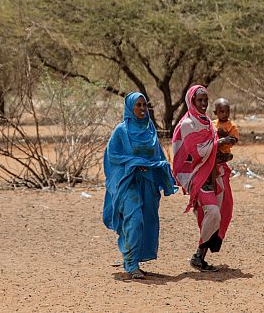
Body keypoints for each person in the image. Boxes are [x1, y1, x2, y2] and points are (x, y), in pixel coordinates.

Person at [102, 92, 176, 280]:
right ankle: (131, 264)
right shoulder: (121, 131)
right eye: (138, 106)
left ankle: (134, 258)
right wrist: (134, 162)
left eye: (144, 105)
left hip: (148, 182)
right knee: (134, 219)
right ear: (130, 108)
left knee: (146, 220)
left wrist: (163, 171)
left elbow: (157, 154)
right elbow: (113, 156)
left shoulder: (150, 128)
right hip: (128, 182)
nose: (142, 109)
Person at [171, 85, 234, 272]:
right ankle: (198, 255)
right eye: (200, 100)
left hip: (212, 174)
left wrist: (222, 155)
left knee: (217, 213)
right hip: (196, 176)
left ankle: (200, 258)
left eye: (206, 100)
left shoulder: (206, 121)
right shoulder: (187, 124)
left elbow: (210, 149)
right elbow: (197, 151)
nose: (204, 104)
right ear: (191, 101)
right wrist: (220, 143)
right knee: (213, 212)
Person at [212, 97, 239, 166]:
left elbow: (234, 140)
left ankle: (223, 157)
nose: (225, 114)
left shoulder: (232, 126)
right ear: (215, 112)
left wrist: (225, 136)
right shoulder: (212, 124)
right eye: (222, 111)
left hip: (224, 152)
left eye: (227, 111)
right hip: (213, 149)